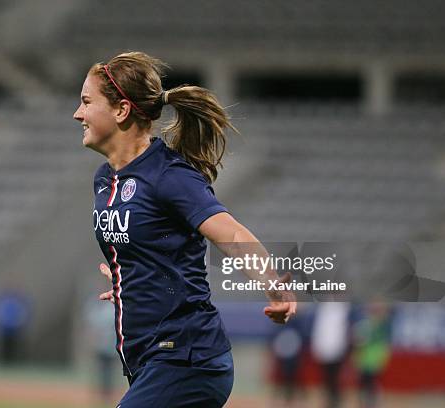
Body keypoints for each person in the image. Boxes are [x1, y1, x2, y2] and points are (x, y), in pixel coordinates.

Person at [73, 51, 296, 408]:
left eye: (86, 102)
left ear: (121, 110)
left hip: (187, 358)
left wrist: (273, 286)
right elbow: (154, 250)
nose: (78, 113)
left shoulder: (168, 175)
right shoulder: (104, 180)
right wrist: (131, 280)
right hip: (148, 360)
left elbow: (233, 234)